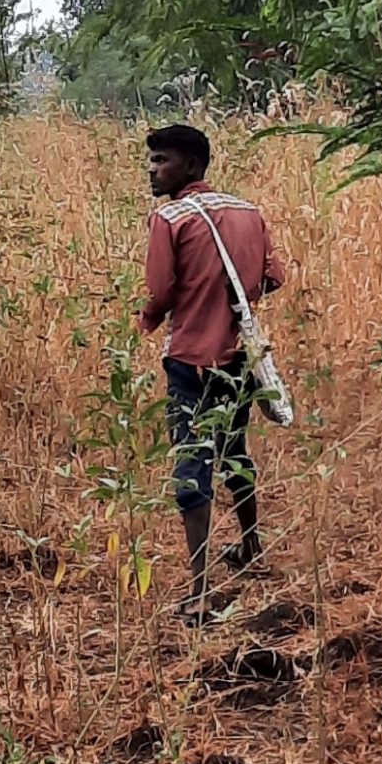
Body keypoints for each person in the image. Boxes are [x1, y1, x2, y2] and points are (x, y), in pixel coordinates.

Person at [139, 121, 284, 623]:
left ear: (193, 166)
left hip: (189, 358)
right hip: (239, 356)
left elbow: (160, 292)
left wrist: (145, 321)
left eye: (162, 160)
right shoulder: (249, 212)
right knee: (235, 450)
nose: (153, 169)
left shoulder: (170, 219)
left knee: (191, 462)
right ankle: (252, 547)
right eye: (153, 160)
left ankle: (199, 590)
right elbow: (273, 276)